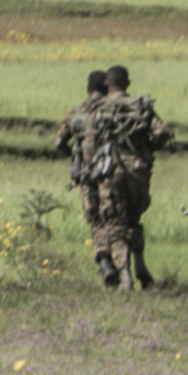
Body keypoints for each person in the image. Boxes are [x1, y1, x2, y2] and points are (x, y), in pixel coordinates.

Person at [86, 65, 168, 290]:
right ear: (128, 84)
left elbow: (89, 148)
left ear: (106, 84)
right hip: (139, 169)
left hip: (111, 170)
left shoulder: (99, 109)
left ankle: (124, 275)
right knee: (133, 219)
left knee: (114, 222)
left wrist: (92, 172)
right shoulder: (140, 106)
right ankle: (140, 264)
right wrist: (147, 150)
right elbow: (162, 132)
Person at [55, 67, 116, 272]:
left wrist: (74, 156)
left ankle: (104, 259)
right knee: (114, 216)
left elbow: (59, 143)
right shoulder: (111, 109)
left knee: (96, 218)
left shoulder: (76, 112)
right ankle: (119, 261)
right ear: (107, 88)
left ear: (88, 88)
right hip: (111, 170)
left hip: (86, 172)